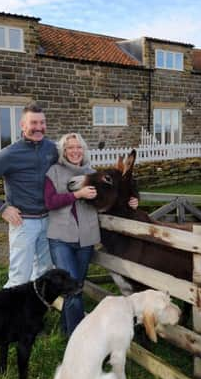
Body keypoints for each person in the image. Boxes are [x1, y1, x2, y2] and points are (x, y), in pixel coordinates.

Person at [45, 133, 138, 336]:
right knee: (74, 289)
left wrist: (134, 201)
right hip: (61, 239)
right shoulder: (54, 172)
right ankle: (79, 339)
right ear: (64, 151)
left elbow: (117, 195)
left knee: (75, 286)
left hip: (86, 240)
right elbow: (50, 202)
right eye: (70, 147)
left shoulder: (91, 173)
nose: (75, 151)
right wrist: (77, 195)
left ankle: (65, 330)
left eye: (78, 147)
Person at [0, 104, 58, 288]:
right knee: (20, 277)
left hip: (49, 220)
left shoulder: (52, 149)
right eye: (33, 122)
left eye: (42, 122)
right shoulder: (10, 153)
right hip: (23, 223)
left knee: (44, 273)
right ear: (22, 125)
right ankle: (7, 315)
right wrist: (0, 207)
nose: (39, 127)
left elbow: (72, 169)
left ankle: (33, 313)